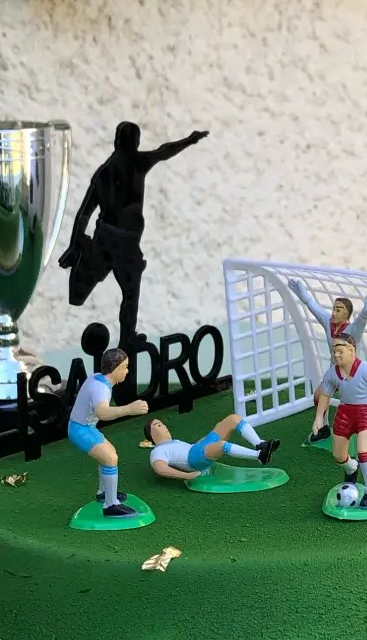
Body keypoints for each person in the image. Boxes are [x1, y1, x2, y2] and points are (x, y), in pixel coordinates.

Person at [58, 121, 208, 349]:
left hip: (121, 243)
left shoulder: (115, 169)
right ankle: (125, 338)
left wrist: (189, 140)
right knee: (101, 294)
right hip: (111, 241)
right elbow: (163, 151)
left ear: (117, 142)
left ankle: (127, 340)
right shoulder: (128, 166)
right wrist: (74, 245)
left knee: (129, 294)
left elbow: (84, 213)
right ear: (134, 142)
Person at [289, 279, 367, 443]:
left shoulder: (352, 329)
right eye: (333, 309)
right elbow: (314, 307)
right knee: (319, 396)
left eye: (339, 310)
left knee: (357, 406)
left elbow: (361, 321)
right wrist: (304, 296)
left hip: (352, 372)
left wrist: (366, 311)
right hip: (334, 369)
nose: (334, 313)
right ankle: (323, 427)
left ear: (347, 314)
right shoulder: (328, 323)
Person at [317, 336, 367, 510]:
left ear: (351, 350)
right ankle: (351, 468)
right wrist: (318, 418)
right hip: (344, 413)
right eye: (334, 351)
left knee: (363, 451)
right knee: (338, 456)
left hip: (364, 412)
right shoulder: (332, 373)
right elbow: (325, 394)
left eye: (340, 351)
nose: (336, 355)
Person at [68, 347, 149, 517]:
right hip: (80, 429)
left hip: (86, 427)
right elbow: (102, 413)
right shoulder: (100, 388)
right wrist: (129, 409)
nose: (127, 371)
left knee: (109, 454)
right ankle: (110, 505)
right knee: (110, 458)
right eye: (125, 367)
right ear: (115, 368)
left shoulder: (98, 379)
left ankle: (103, 493)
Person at [145, 413, 279, 481]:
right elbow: (160, 468)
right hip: (194, 459)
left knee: (233, 419)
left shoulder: (174, 442)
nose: (163, 426)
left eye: (162, 423)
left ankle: (261, 445)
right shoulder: (158, 451)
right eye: (157, 425)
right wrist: (187, 476)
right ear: (151, 435)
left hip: (198, 447)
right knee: (221, 446)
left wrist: (205, 440)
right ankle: (260, 456)